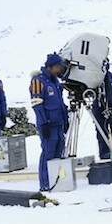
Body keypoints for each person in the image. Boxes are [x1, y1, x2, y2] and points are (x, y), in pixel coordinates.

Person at [30, 53, 69, 191]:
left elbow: (61, 103)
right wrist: (44, 122)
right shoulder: (38, 81)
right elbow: (37, 104)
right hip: (48, 124)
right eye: (58, 67)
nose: (60, 70)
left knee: (58, 152)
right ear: (51, 66)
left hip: (58, 123)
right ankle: (45, 183)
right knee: (48, 152)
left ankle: (55, 181)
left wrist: (65, 119)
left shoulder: (55, 82)